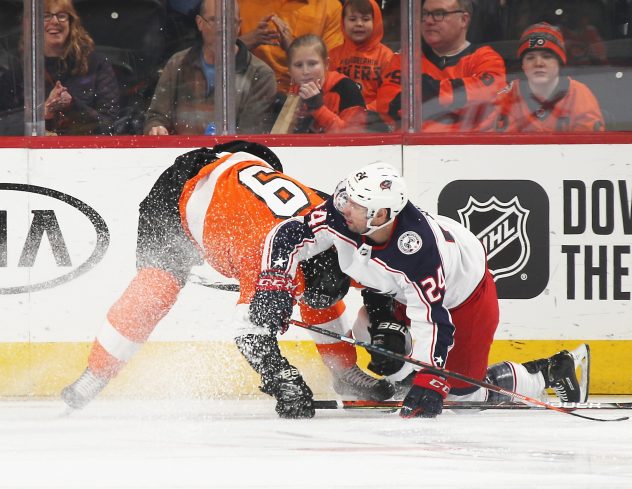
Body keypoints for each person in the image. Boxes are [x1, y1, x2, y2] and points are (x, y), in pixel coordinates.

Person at [61, 141, 394, 419]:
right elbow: (249, 335)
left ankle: (344, 372)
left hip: (245, 171)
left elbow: (388, 278)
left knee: (314, 289)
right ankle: (95, 374)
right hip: (181, 190)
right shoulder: (265, 253)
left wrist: (383, 326)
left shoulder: (341, 224)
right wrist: (282, 378)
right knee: (157, 288)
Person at [249, 162, 590, 418]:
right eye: (346, 198)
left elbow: (434, 322)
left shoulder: (418, 252)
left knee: (463, 395)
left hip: (464, 298)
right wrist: (273, 282)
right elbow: (290, 234)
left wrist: (433, 380)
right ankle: (410, 376)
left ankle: (549, 370)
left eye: (355, 204)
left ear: (381, 214)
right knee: (373, 336)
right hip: (403, 294)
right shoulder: (346, 216)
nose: (342, 208)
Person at [144, 0, 276, 135]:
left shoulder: (261, 75)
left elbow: (250, 136)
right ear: (199, 23)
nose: (223, 28)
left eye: (230, 21)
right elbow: (156, 117)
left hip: (232, 154)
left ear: (238, 26)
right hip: (181, 154)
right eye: (215, 21)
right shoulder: (177, 63)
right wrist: (157, 128)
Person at [375, 0, 507, 131]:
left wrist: (425, 89)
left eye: (439, 14)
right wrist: (459, 112)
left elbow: (486, 104)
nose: (428, 21)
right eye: (424, 14)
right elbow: (388, 105)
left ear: (464, 20)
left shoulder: (487, 58)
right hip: (415, 149)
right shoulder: (405, 58)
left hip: (471, 149)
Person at [489, 22, 605, 132]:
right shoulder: (506, 97)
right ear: (522, 65)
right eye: (530, 57)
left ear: (559, 62)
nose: (538, 63)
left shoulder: (579, 95)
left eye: (547, 56)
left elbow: (589, 148)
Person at [40, 0, 120, 135]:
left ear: (72, 23)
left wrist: (72, 107)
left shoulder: (96, 64)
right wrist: (44, 113)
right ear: (32, 25)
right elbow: (5, 124)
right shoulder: (19, 68)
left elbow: (110, 125)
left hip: (85, 152)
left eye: (62, 16)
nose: (55, 21)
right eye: (46, 16)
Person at [237, 0, 344, 94]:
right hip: (245, 90)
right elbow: (220, 59)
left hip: (301, 95)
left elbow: (328, 67)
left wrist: (293, 49)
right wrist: (244, 42)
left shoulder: (331, 7)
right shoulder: (239, 3)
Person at [277, 34, 367, 133]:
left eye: (312, 64)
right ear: (290, 70)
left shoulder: (346, 88)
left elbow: (353, 136)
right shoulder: (293, 92)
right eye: (298, 65)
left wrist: (318, 108)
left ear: (326, 64)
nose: (305, 71)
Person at [328, 0, 393, 131]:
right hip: (338, 121)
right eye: (352, 19)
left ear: (376, 22)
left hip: (375, 122)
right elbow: (327, 92)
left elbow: (389, 95)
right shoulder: (333, 55)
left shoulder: (387, 56)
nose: (359, 24)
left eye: (365, 19)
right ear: (343, 22)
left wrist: (363, 112)